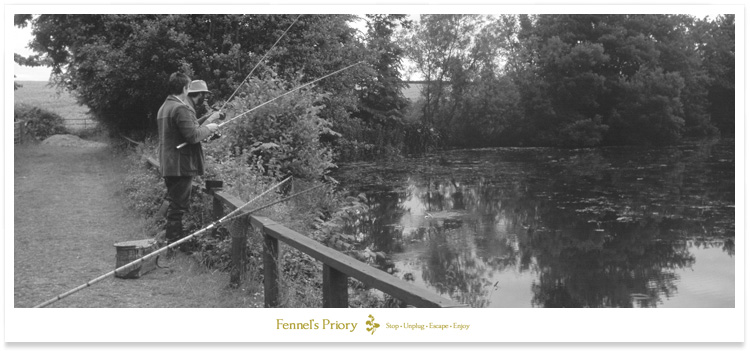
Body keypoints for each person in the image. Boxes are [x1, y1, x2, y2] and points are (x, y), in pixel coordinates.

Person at [157, 73, 221, 250]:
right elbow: (193, 136)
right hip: (180, 165)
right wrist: (209, 128)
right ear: (185, 88)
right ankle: (174, 244)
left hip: (170, 163)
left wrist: (210, 119)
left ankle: (170, 239)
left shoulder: (165, 106)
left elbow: (187, 128)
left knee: (174, 201)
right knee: (178, 207)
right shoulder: (181, 108)